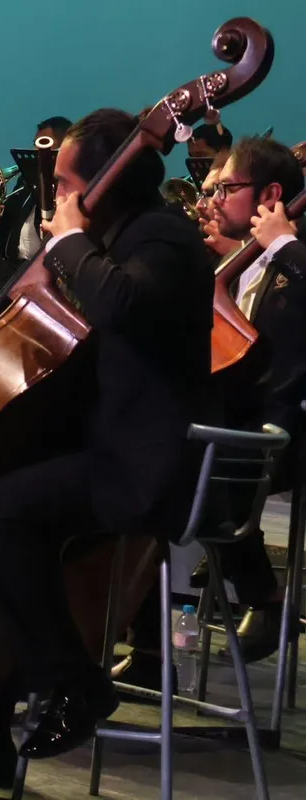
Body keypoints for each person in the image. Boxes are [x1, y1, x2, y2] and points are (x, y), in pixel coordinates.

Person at [0, 108, 215, 759]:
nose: (60, 197)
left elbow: (121, 304)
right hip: (115, 446)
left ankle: (71, 684)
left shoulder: (163, 237)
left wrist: (68, 243)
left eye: (68, 183)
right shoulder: (128, 235)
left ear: (106, 181)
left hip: (144, 465)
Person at [182, 136, 306, 662]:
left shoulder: (289, 257)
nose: (213, 200)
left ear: (270, 193)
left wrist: (283, 245)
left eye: (227, 188)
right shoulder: (243, 264)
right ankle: (142, 637)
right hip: (237, 423)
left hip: (282, 432)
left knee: (191, 461)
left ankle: (266, 598)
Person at [0, 116, 72, 265]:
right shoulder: (24, 181)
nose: (35, 150)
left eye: (43, 143)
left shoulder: (67, 189)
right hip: (7, 264)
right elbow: (0, 233)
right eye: (35, 144)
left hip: (39, 267)